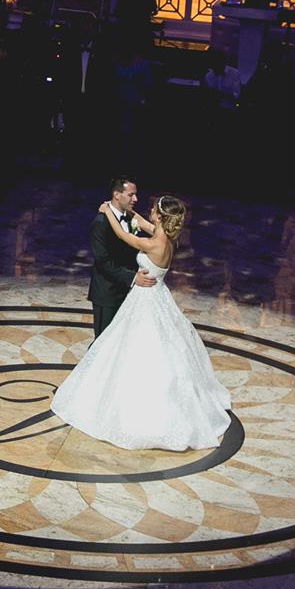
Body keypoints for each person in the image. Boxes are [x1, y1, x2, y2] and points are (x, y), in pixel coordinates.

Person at [54, 192, 233, 451]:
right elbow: (143, 223)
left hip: (146, 301)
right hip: (158, 297)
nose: (149, 211)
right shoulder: (168, 239)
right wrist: (126, 211)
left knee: (136, 350)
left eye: (153, 209)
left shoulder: (153, 245)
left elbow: (123, 236)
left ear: (159, 216)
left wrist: (107, 212)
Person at [85, 178, 155, 336]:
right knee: (103, 343)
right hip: (108, 293)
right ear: (117, 195)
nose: (135, 199)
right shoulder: (101, 223)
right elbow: (103, 262)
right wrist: (133, 277)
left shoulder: (131, 218)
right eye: (131, 195)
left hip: (129, 292)